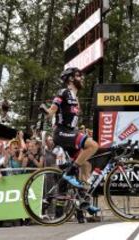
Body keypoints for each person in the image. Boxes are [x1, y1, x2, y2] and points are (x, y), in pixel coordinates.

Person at [40, 67, 100, 221]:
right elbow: (52, 111)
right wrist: (47, 112)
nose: (83, 78)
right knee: (93, 146)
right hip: (61, 133)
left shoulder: (75, 96)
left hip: (69, 132)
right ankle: (69, 173)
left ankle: (82, 201)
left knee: (86, 165)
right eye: (80, 76)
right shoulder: (64, 92)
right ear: (72, 78)